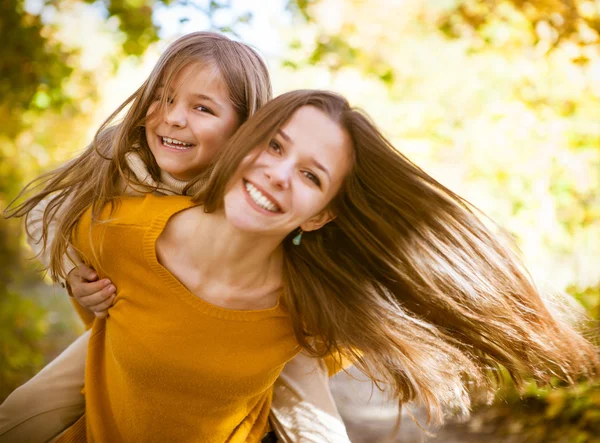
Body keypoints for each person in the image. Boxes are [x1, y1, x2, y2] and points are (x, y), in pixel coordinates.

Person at [40, 90, 600, 440]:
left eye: (311, 176)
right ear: (243, 143)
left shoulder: (315, 306)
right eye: (275, 146)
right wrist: (72, 276)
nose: (280, 175)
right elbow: (52, 222)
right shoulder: (120, 227)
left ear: (319, 216)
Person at [1, 34, 350, 443]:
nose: (173, 118)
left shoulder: (242, 185)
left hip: (250, 317)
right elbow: (47, 211)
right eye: (163, 98)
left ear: (244, 130)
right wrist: (72, 273)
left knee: (310, 412)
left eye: (201, 108)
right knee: (21, 414)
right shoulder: (122, 157)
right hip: (133, 319)